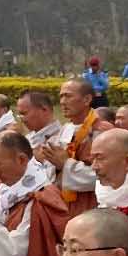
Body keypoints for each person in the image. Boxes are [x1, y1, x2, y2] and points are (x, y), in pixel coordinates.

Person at [36, 78, 102, 215]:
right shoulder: (65, 129)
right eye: (61, 96)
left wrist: (66, 164)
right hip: (64, 204)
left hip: (92, 207)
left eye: (68, 96)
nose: (62, 102)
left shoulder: (102, 131)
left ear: (87, 99)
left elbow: (105, 175)